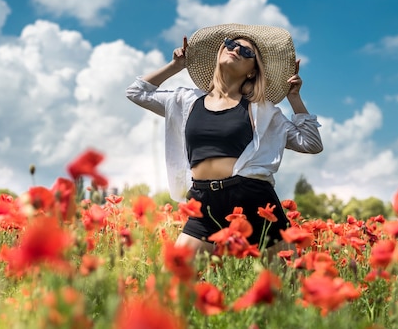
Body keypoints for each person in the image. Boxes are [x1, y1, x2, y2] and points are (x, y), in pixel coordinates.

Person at [126, 23, 323, 256]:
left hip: (253, 199)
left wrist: (294, 98)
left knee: (285, 283)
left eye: (246, 52)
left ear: (252, 71)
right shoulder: (186, 101)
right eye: (231, 44)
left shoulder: (263, 111)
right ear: (220, 50)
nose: (236, 50)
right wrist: (175, 66)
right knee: (176, 277)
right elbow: (136, 92)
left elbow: (311, 143)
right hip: (204, 199)